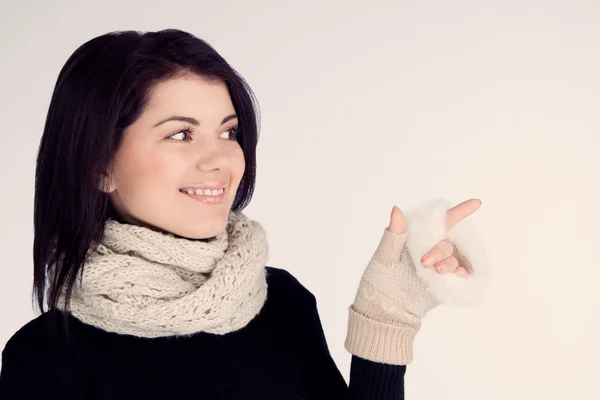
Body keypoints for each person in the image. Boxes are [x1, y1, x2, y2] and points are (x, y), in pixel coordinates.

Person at [0, 29, 486, 399]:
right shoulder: (43, 361)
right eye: (180, 134)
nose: (221, 159)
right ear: (98, 165)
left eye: (228, 132)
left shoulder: (282, 306)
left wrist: (386, 322)